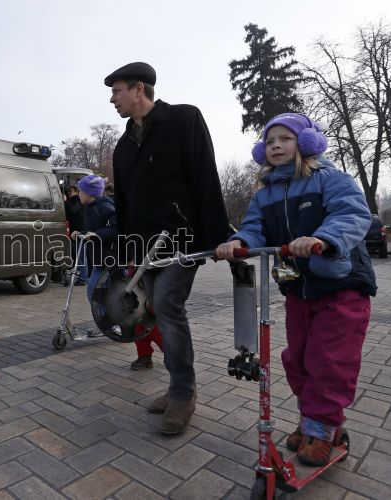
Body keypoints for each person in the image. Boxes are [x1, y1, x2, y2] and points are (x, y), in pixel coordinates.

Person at [216, 113, 376, 466]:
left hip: (341, 286)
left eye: (285, 139)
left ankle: (322, 427)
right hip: (297, 290)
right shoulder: (264, 195)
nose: (276, 146)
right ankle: (313, 420)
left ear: (307, 143)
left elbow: (351, 215)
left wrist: (322, 238)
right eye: (270, 141)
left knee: (330, 360)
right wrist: (239, 241)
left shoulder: (330, 179)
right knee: (297, 358)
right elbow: (254, 227)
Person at [106, 61, 230, 434]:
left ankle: (183, 394)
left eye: (117, 91)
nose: (112, 99)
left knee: (168, 304)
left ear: (139, 89)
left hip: (182, 239)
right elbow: (123, 204)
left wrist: (217, 237)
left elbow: (205, 175)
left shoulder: (184, 120)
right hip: (145, 247)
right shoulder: (123, 146)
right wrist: (126, 250)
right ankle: (178, 384)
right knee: (156, 310)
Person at [71, 174, 118, 338]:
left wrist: (97, 235)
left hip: (108, 260)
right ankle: (107, 324)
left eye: (81, 191)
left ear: (90, 193)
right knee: (98, 293)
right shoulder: (91, 207)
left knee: (95, 292)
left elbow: (116, 229)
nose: (78, 194)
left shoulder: (105, 207)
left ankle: (109, 325)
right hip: (99, 259)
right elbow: (94, 228)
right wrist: (81, 232)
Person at [64, 185, 87, 285]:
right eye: (68, 191)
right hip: (74, 231)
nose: (69, 193)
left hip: (79, 231)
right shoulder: (73, 201)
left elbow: (74, 210)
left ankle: (83, 279)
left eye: (71, 191)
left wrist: (66, 201)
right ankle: (80, 276)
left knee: (80, 256)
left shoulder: (78, 200)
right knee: (77, 255)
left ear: (77, 192)